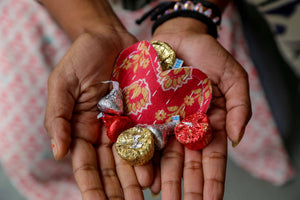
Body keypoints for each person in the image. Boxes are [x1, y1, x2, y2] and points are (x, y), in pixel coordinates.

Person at [42, 0, 252, 199]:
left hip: (202, 11)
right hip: (72, 14)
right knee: (29, 153)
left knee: (266, 133)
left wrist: (191, 19)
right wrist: (96, 28)